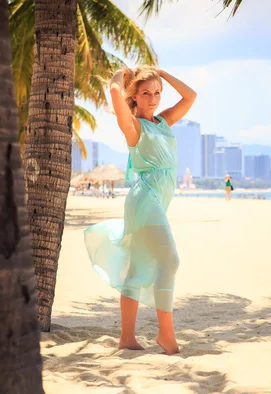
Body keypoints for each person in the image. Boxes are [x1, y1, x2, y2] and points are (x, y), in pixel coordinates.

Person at [83, 65, 196, 355]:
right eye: (147, 93)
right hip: (145, 199)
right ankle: (166, 334)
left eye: (157, 93)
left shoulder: (163, 121)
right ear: (135, 96)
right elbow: (113, 92)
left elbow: (190, 96)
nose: (154, 98)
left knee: (138, 270)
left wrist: (162, 73)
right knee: (169, 261)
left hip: (156, 200)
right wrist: (121, 76)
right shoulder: (133, 127)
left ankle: (127, 339)